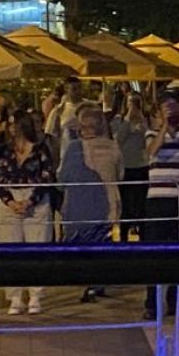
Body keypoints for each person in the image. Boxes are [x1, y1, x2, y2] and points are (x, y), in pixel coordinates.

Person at [0, 110, 55, 314]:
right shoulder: (3, 150)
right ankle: (15, 297)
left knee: (37, 249)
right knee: (9, 250)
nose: (11, 128)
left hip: (35, 200)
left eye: (15, 123)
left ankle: (35, 296)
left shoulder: (41, 150)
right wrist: (10, 201)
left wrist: (30, 201)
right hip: (9, 200)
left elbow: (47, 177)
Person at [142, 94, 179, 320]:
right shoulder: (152, 134)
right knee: (154, 254)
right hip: (158, 200)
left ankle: (176, 301)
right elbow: (152, 151)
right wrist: (165, 126)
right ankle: (152, 303)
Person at [59, 106, 123, 302]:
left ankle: (89, 283)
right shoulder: (113, 146)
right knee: (102, 245)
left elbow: (63, 178)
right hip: (109, 204)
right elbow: (120, 174)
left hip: (81, 204)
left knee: (82, 247)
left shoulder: (74, 148)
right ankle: (98, 283)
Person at [110, 92, 151, 241]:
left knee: (141, 204)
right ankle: (123, 235)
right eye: (130, 102)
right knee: (126, 205)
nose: (133, 105)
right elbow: (118, 139)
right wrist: (128, 119)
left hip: (142, 166)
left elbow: (149, 138)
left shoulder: (146, 120)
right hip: (125, 167)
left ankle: (143, 235)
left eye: (136, 102)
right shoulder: (118, 120)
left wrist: (142, 120)